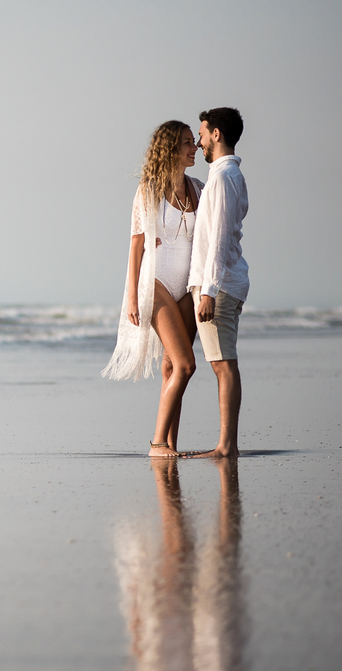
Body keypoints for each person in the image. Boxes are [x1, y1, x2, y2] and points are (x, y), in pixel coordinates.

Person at [103, 121, 204, 457]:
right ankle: (158, 444)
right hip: (156, 283)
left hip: (186, 288)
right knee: (186, 364)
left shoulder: (198, 189)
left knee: (171, 368)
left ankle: (171, 445)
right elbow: (135, 246)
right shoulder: (149, 189)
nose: (195, 148)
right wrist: (132, 295)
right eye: (188, 143)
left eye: (195, 141)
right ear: (171, 148)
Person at [187, 108, 249, 459]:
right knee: (222, 363)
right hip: (223, 282)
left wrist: (208, 290)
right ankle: (228, 444)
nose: (199, 141)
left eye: (202, 133)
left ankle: (226, 445)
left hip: (220, 285)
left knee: (224, 364)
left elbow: (221, 237)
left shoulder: (224, 176)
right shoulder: (225, 175)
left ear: (217, 134)